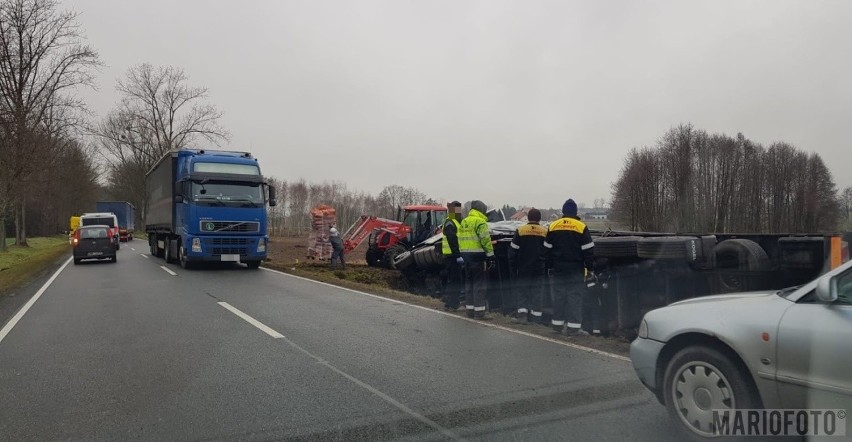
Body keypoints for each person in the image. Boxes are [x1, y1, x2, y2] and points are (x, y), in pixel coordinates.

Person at [545, 199, 595, 336]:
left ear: (563, 211)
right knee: (575, 297)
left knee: (559, 296)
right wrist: (590, 268)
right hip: (575, 268)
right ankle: (573, 328)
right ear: (575, 212)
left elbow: (547, 249)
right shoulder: (581, 226)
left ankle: (557, 325)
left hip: (558, 268)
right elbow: (588, 250)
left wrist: (549, 267)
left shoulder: (553, 226)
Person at [508, 208, 547, 325]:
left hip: (523, 267)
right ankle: (536, 319)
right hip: (539, 268)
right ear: (539, 218)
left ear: (528, 218)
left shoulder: (520, 230)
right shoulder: (544, 231)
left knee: (522, 291)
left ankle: (522, 317)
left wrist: (513, 267)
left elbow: (513, 251)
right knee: (537, 293)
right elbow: (548, 250)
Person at [458, 200, 495, 319]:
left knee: (469, 284)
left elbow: (460, 238)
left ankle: (470, 311)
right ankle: (479, 312)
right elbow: (485, 241)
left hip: (466, 258)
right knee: (479, 285)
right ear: (482, 210)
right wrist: (491, 256)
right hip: (478, 257)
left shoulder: (464, 221)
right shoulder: (480, 222)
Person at [440, 201, 464, 310]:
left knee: (454, 280)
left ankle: (452, 303)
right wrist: (458, 254)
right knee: (454, 280)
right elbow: (452, 239)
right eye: (458, 209)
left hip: (452, 255)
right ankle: (452, 304)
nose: (460, 211)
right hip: (452, 256)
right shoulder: (450, 222)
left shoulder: (455, 221)